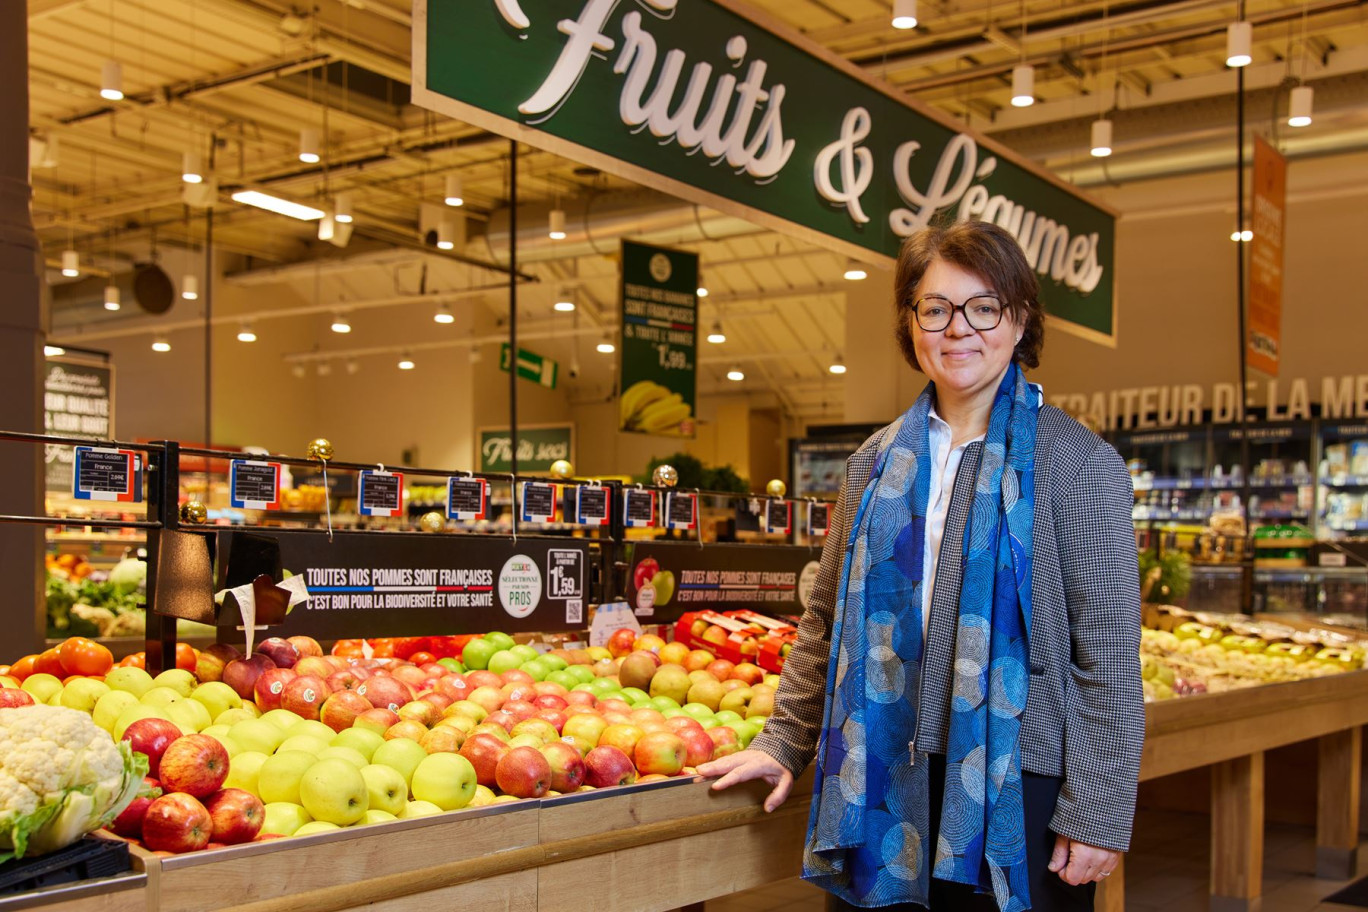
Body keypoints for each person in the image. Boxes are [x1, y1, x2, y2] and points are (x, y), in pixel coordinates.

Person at [697, 220, 1143, 912]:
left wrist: (1098, 812)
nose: (957, 329)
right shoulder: (873, 464)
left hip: (1016, 784)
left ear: (1020, 319)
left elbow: (1108, 654)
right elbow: (825, 619)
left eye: (983, 307)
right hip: (875, 772)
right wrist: (783, 740)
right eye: (935, 309)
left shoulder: (1079, 466)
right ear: (912, 324)